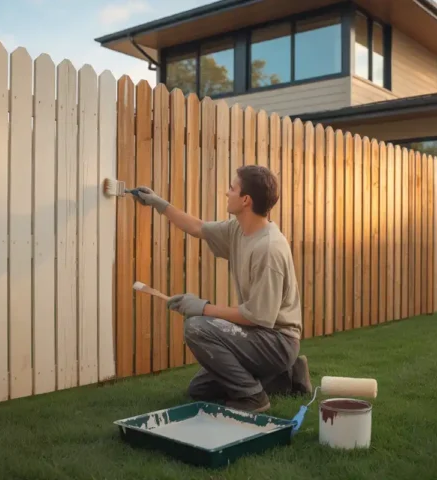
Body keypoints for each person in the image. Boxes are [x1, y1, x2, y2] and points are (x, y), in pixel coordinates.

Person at [133, 165, 311, 413]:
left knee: (196, 327)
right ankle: (285, 377)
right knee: (200, 389)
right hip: (258, 335)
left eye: (232, 188)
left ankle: (253, 398)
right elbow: (198, 228)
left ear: (246, 200)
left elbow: (256, 317)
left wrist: (202, 308)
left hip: (277, 340)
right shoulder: (239, 229)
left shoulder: (268, 249)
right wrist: (158, 203)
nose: (227, 193)